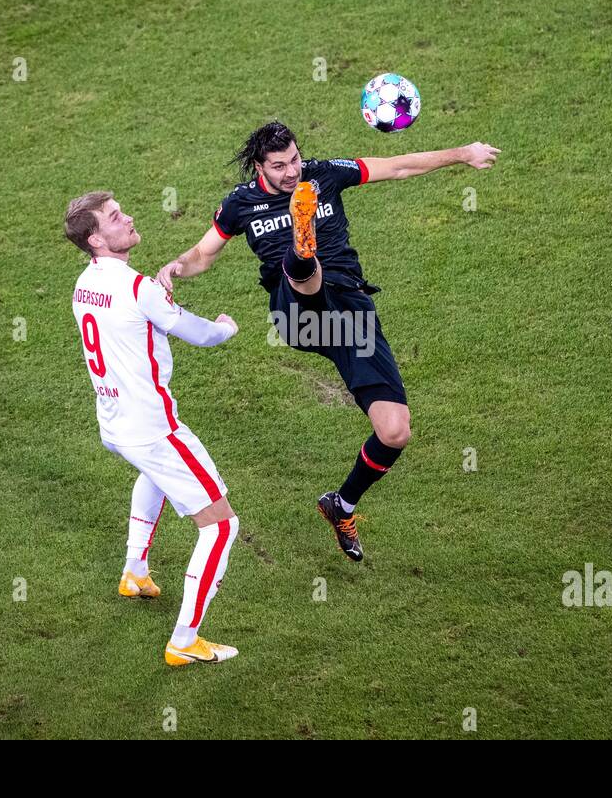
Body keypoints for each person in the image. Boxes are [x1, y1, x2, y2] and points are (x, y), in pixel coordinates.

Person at [157, 122, 500, 561]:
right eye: (279, 166)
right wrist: (174, 268)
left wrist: (464, 152)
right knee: (300, 269)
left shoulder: (324, 175)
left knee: (395, 432)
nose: (291, 171)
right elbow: (203, 254)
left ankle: (342, 505)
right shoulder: (240, 204)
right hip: (296, 314)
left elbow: (395, 167)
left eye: (295, 160)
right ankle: (303, 249)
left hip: (349, 316)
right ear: (259, 166)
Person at [65, 190, 241, 666]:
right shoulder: (138, 288)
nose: (129, 219)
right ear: (97, 239)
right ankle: (184, 642)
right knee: (222, 526)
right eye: (116, 217)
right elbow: (199, 333)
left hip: (114, 422)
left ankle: (135, 571)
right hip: (153, 428)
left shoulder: (84, 284)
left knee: (153, 476)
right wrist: (226, 326)